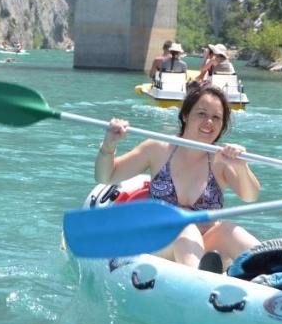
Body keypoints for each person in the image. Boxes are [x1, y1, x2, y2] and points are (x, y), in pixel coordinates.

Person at [96, 85, 261, 270]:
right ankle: (201, 284)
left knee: (230, 231)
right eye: (201, 114)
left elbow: (251, 196)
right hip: (159, 242)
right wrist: (109, 143)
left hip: (206, 248)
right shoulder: (158, 148)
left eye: (216, 117)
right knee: (185, 227)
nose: (209, 122)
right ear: (185, 115)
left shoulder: (222, 160)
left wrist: (242, 166)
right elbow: (106, 176)